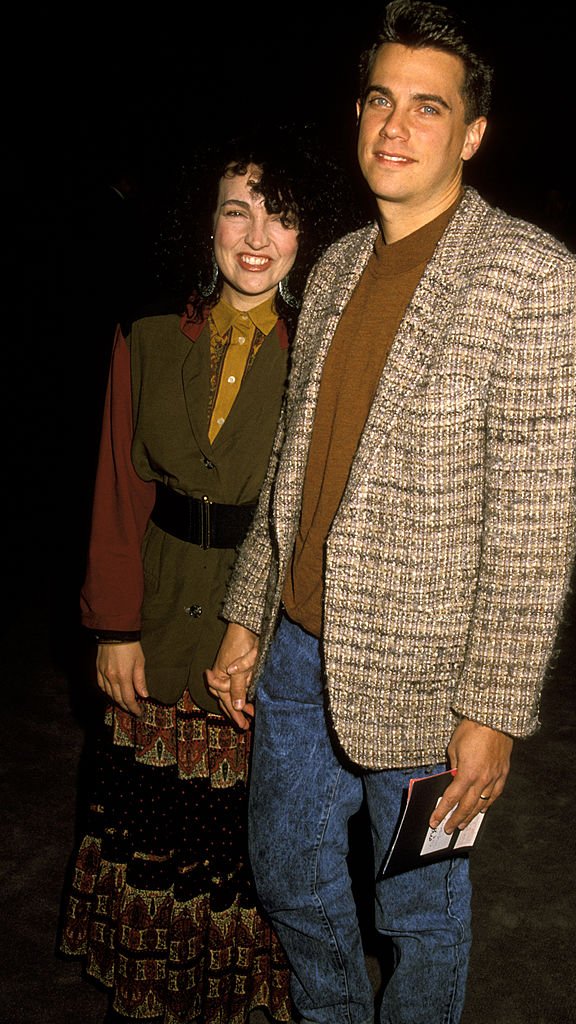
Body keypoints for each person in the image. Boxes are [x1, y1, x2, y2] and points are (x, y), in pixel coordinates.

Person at [207, 4, 576, 1023]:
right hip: (298, 652)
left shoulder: (533, 280)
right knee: (287, 875)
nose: (394, 126)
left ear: (470, 134)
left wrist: (493, 707)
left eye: (427, 107)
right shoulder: (333, 265)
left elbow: (533, 525)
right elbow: (297, 466)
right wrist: (249, 613)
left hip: (432, 681)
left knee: (419, 909)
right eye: (380, 99)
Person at [59, 128, 359, 1024]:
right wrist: (114, 625)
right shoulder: (146, 336)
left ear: (312, 236)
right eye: (237, 210)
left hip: (262, 634)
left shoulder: (324, 355)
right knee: (149, 831)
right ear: (205, 227)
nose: (258, 235)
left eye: (281, 215)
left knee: (254, 850)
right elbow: (119, 487)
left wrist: (273, 632)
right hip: (154, 616)